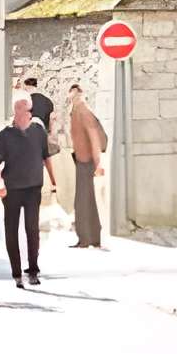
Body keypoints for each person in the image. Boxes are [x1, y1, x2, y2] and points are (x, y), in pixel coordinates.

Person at [0, 96, 55, 289]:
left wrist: (54, 180)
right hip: (12, 189)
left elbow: (46, 157)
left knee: (32, 229)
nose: (25, 113)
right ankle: (16, 272)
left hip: (33, 187)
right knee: (11, 230)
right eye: (21, 110)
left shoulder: (38, 132)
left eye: (27, 110)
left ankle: (33, 270)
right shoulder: (4, 135)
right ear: (16, 112)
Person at [67, 82, 108, 250]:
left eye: (75, 94)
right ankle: (91, 238)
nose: (72, 97)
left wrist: (98, 163)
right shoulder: (76, 111)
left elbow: (93, 137)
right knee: (86, 201)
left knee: (83, 201)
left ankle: (86, 239)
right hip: (82, 161)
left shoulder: (83, 111)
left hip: (86, 162)